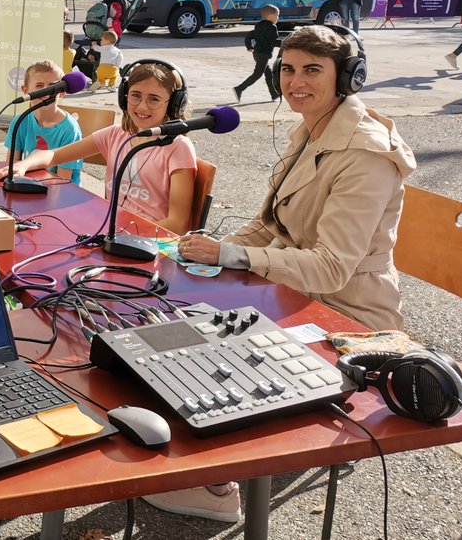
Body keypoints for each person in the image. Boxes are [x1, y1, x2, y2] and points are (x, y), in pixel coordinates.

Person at [162, 26, 415, 522]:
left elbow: (331, 267)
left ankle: (216, 489)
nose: (295, 82)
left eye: (312, 70)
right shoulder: (314, 128)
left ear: (348, 77)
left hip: (347, 316)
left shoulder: (364, 151)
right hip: (295, 295)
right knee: (178, 327)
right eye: (288, 69)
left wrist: (231, 258)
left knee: (213, 351)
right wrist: (206, 252)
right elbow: (268, 224)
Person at [0, 60, 197, 234]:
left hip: (144, 240)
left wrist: (120, 231)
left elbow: (177, 225)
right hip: (111, 230)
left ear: (174, 104)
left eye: (154, 99)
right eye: (135, 95)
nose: (142, 106)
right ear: (124, 97)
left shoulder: (179, 148)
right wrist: (23, 165)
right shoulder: (116, 134)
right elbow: (52, 155)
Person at [0, 60, 84, 185]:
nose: (46, 91)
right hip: (27, 185)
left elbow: (62, 181)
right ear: (25, 90)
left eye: (52, 86)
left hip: (60, 193)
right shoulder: (20, 121)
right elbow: (12, 165)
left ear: (62, 91)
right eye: (39, 86)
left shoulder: (69, 129)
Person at [234, 4, 280, 101]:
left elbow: (249, 36)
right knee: (257, 74)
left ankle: (274, 94)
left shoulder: (258, 26)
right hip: (263, 54)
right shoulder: (272, 27)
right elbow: (274, 41)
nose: (278, 18)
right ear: (271, 16)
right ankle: (239, 89)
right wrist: (287, 43)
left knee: (268, 74)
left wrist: (249, 46)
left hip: (257, 54)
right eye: (277, 15)